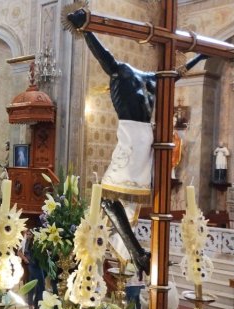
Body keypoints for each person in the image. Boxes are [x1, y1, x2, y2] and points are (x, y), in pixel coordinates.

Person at [66, 10, 207, 195]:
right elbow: (174, 75)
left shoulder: (134, 75)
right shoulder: (150, 79)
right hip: (134, 136)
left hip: (143, 138)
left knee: (123, 191)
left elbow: (103, 55)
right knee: (120, 189)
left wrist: (84, 29)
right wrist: (85, 30)